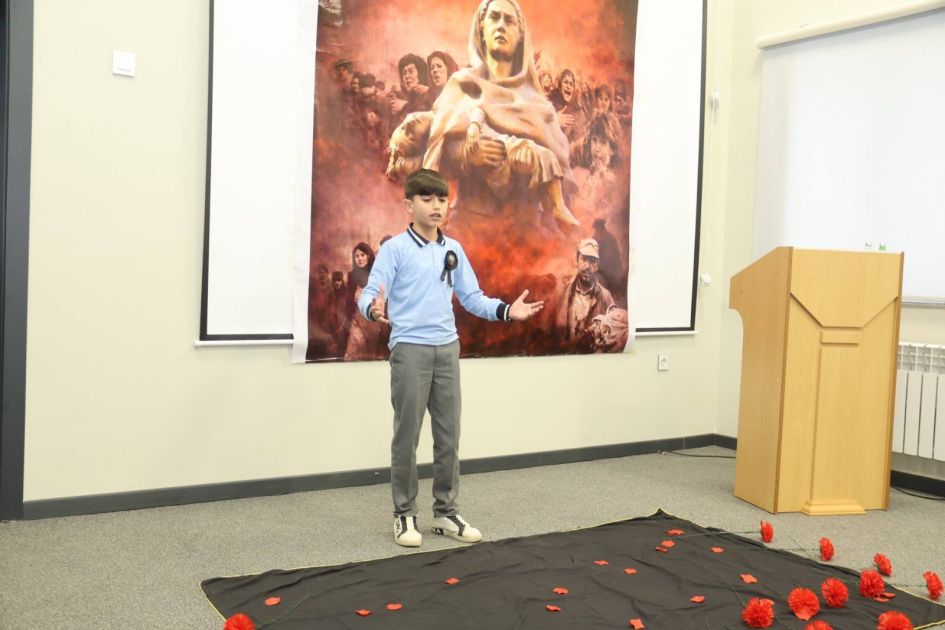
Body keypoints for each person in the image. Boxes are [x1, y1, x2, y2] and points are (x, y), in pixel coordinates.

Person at [356, 169, 544, 547]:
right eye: (427, 199)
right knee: (407, 436)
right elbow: (369, 293)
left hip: (448, 350)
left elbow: (472, 298)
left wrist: (507, 311)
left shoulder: (452, 249)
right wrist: (372, 309)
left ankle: (445, 513)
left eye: (442, 199)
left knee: (448, 436)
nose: (436, 206)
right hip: (410, 350)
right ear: (409, 205)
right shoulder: (395, 249)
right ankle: (405, 514)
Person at [393, 0, 579, 234]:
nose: (501, 25)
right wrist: (466, 155)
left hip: (526, 227)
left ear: (520, 34)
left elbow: (562, 176)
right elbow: (431, 149)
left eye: (509, 20)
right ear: (481, 28)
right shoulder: (460, 86)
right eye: (494, 17)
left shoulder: (539, 105)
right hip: (469, 223)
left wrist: (526, 171)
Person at [553, 237, 614, 351]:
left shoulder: (606, 297)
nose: (587, 266)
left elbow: (613, 337)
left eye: (592, 261)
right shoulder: (562, 294)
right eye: (584, 259)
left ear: (597, 265)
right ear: (576, 261)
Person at [344, 242, 385, 360]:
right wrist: (347, 318)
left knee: (370, 355)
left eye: (362, 255)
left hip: (374, 322)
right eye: (356, 256)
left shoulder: (377, 274)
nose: (360, 258)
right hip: (356, 321)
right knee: (351, 354)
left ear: (368, 256)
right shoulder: (352, 276)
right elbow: (349, 300)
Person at [388, 53, 435, 129]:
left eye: (411, 71)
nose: (407, 76)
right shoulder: (402, 97)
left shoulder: (430, 94)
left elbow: (424, 119)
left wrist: (404, 107)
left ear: (420, 73)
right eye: (404, 73)